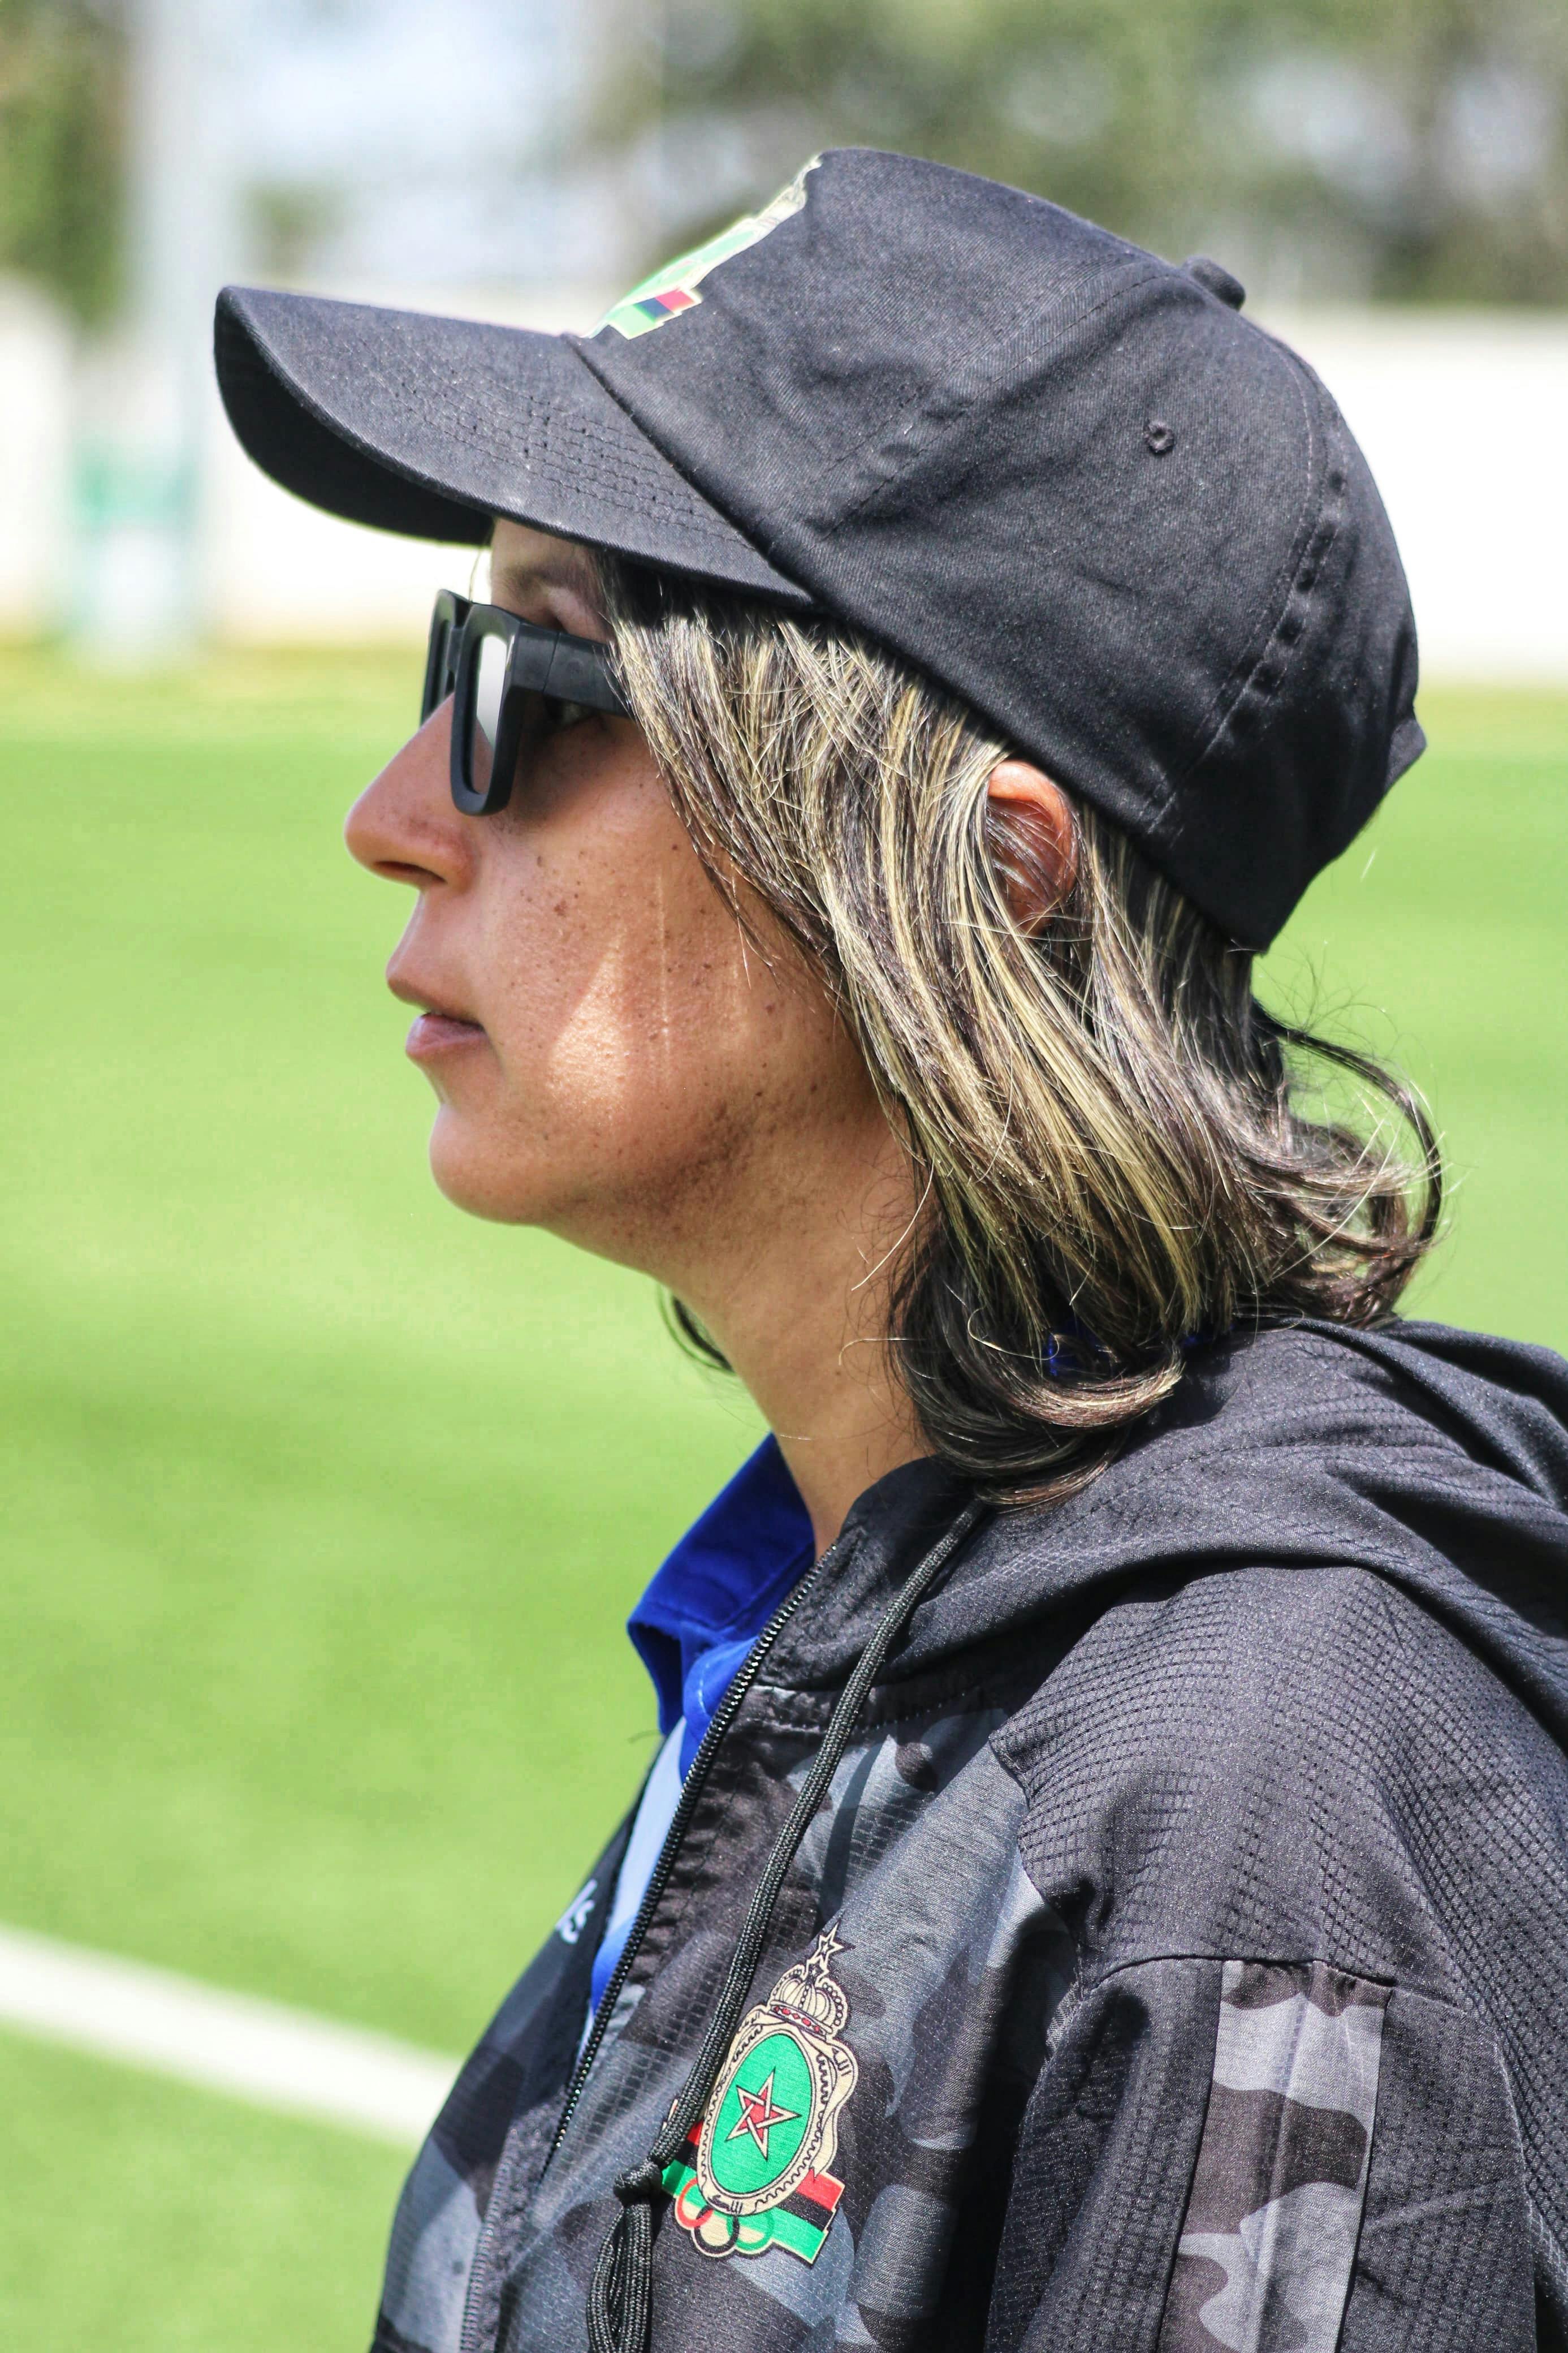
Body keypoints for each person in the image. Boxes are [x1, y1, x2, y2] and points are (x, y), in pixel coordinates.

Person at [214, 150, 1568, 2353]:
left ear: (981, 868)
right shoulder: (862, 1587)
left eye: (529, 682)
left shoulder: (1252, 1815)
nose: (395, 803)